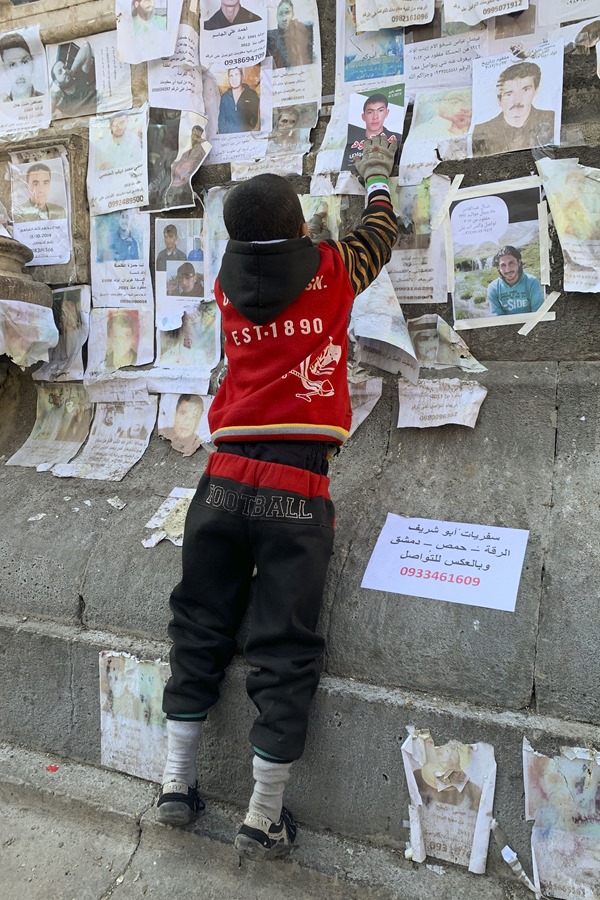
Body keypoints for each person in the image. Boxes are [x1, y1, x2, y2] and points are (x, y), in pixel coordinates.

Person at [155, 138, 398, 860]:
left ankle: (176, 783)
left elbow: (263, 246)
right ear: (301, 231)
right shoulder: (332, 268)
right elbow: (380, 232)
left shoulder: (228, 279)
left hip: (223, 479)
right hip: (298, 483)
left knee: (198, 622)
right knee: (284, 646)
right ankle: (263, 815)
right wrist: (378, 172)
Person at [472, 62, 555, 157]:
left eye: (525, 90)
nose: (517, 100)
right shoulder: (482, 132)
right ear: (499, 99)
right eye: (509, 93)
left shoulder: (551, 119)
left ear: (535, 90)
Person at [343, 93, 398, 170]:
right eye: (370, 112)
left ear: (387, 113)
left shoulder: (395, 140)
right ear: (363, 116)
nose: (375, 117)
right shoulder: (351, 143)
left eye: (380, 110)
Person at [487, 245, 544, 316]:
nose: (508, 269)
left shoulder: (532, 282)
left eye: (511, 263)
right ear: (498, 268)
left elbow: (538, 314)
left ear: (519, 262)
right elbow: (497, 319)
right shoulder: (493, 288)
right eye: (503, 265)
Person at [50, 40, 97, 118]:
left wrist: (71, 72)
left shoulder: (79, 78)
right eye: (60, 72)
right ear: (56, 82)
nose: (64, 71)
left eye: (64, 68)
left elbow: (86, 46)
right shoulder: (63, 103)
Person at [267, 0, 313, 68]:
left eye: (287, 12)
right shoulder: (270, 37)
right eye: (280, 14)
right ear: (276, 16)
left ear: (292, 14)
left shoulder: (304, 31)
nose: (284, 18)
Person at [0, 32, 42, 103]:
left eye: (24, 62)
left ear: (32, 62)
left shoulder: (49, 100)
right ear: (4, 69)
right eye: (12, 65)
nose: (20, 72)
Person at [217, 67, 260, 134]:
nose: (233, 79)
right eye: (231, 76)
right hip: (228, 140)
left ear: (242, 76)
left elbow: (254, 119)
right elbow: (221, 121)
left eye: (236, 75)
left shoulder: (252, 95)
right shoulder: (224, 98)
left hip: (246, 137)